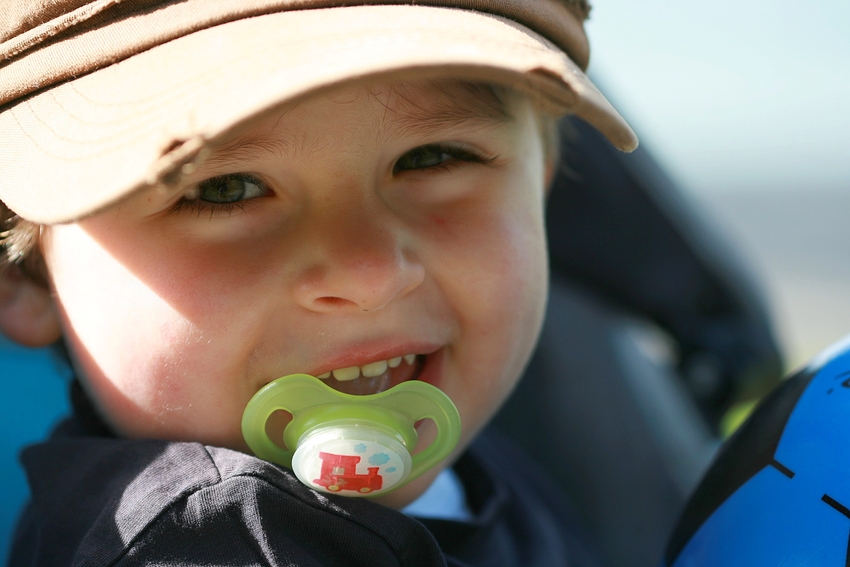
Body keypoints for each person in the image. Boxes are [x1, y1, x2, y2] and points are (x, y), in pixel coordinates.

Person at [0, 1, 638, 565]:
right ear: (20, 276)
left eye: (433, 156)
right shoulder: (215, 544)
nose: (371, 276)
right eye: (226, 190)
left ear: (541, 184)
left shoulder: (491, 450)